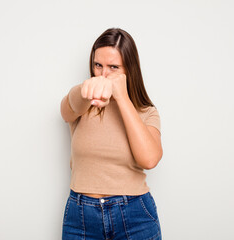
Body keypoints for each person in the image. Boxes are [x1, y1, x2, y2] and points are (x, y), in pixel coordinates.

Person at [60, 28, 163, 240]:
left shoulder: (146, 112)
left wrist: (122, 98)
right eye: (98, 65)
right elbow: (65, 110)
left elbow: (150, 159)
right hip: (81, 216)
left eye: (113, 67)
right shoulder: (83, 103)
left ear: (129, 70)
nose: (103, 74)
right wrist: (85, 91)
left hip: (134, 215)